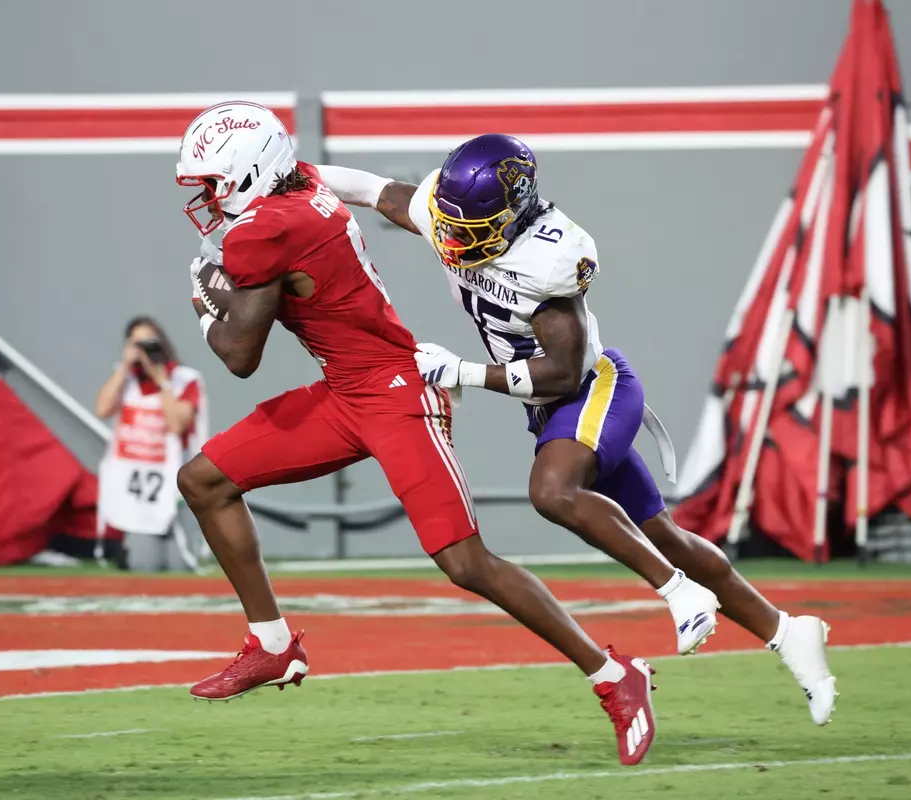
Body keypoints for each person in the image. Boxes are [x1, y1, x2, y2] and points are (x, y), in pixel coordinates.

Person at [171, 102, 700, 767]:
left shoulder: (267, 231)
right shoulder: (299, 184)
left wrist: (204, 302)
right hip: (345, 390)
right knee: (205, 479)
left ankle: (612, 675)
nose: (209, 198)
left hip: (396, 395)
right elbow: (346, 187)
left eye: (214, 182)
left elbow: (237, 355)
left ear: (251, 174)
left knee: (465, 562)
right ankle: (273, 644)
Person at [316, 133, 838, 726]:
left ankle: (679, 592)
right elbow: (367, 189)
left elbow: (562, 374)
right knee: (665, 534)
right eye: (448, 222)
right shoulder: (453, 215)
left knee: (553, 492)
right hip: (552, 405)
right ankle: (789, 631)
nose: (453, 237)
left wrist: (464, 371)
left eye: (471, 225)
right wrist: (291, 172)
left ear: (514, 211)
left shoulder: (550, 256)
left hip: (593, 390)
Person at [95, 316, 208, 572]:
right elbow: (102, 408)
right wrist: (124, 367)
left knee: (181, 567)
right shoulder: (128, 380)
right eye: (137, 344)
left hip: (176, 487)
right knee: (143, 565)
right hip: (138, 493)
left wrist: (162, 381)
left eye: (149, 344)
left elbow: (178, 423)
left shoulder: (183, 380)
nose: (144, 351)